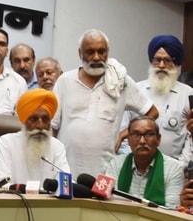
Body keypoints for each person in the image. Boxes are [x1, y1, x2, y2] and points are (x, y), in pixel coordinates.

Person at [52, 29, 158, 177]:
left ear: (108, 51)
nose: (96, 57)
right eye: (90, 52)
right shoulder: (65, 81)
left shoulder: (121, 82)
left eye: (101, 51)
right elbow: (53, 127)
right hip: (65, 169)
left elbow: (152, 112)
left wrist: (124, 134)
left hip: (105, 172)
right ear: (80, 53)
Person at [119, 35, 192, 159]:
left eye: (167, 60)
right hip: (136, 168)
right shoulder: (135, 90)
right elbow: (123, 133)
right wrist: (133, 163)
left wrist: (180, 166)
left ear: (176, 63)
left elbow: (190, 138)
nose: (161, 65)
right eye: (157, 60)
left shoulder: (188, 94)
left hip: (175, 170)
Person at [0, 89, 69, 185]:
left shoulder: (57, 146)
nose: (40, 126)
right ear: (24, 121)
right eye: (33, 119)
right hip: (15, 199)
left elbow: (65, 185)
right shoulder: (7, 142)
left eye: (45, 119)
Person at [106, 117, 183, 208]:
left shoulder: (173, 168)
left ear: (158, 139)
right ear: (129, 140)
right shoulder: (116, 163)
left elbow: (171, 209)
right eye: (135, 135)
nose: (142, 141)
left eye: (149, 134)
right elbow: (109, 202)